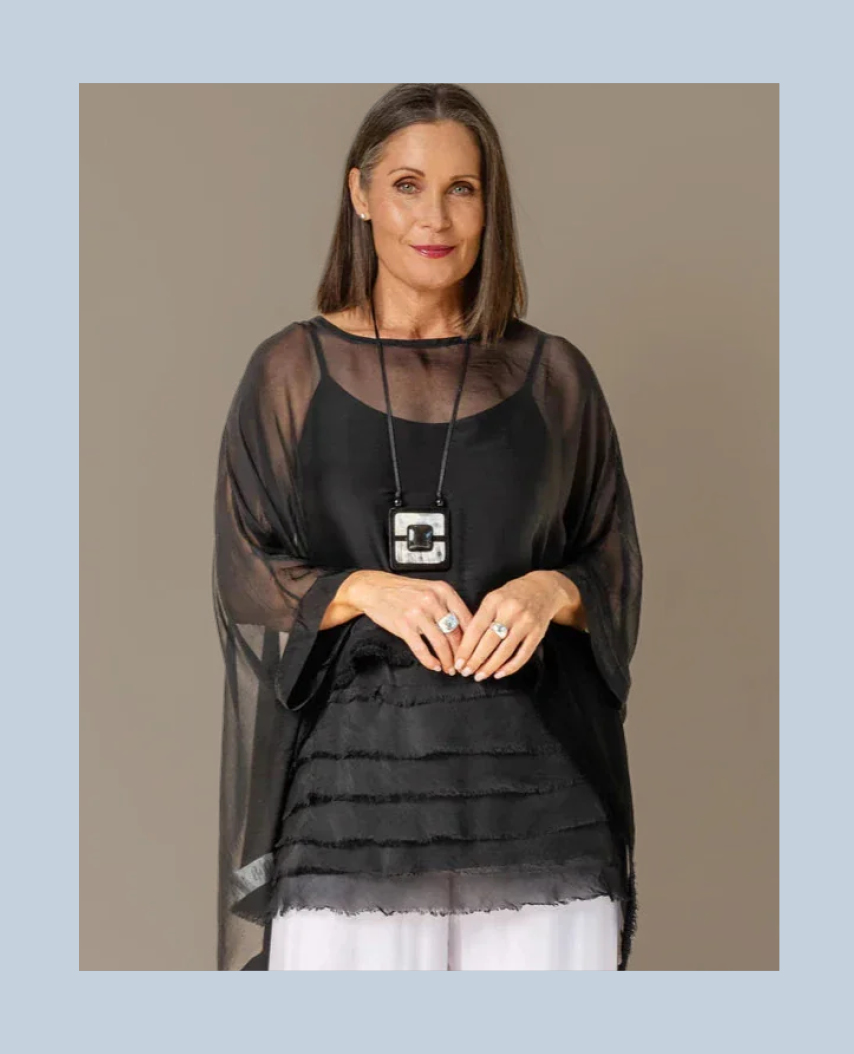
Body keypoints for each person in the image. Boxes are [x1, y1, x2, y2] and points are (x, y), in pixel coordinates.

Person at [212, 83, 643, 971]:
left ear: (491, 206)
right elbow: (245, 568)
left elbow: (612, 560)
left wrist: (549, 590)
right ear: (360, 193)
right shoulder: (291, 370)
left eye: (463, 189)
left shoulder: (554, 374)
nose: (435, 217)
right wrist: (363, 588)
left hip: (539, 799)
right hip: (354, 801)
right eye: (408, 185)